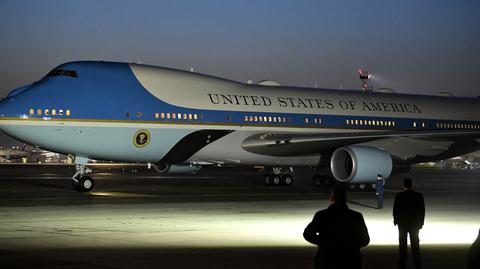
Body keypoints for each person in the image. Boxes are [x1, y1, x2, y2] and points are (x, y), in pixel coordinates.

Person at [304, 186, 370, 269]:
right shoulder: (356, 216)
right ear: (345, 199)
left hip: (327, 260)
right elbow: (365, 240)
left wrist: (324, 242)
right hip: (350, 261)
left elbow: (307, 234)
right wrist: (351, 244)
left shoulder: (322, 215)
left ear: (332, 198)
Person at [393, 178, 425, 269]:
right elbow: (422, 210)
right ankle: (417, 264)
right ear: (411, 185)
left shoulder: (399, 196)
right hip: (414, 224)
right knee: (415, 244)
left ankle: (401, 264)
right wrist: (421, 223)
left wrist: (396, 221)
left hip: (402, 223)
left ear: (404, 185)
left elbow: (396, 209)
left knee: (402, 244)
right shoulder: (418, 196)